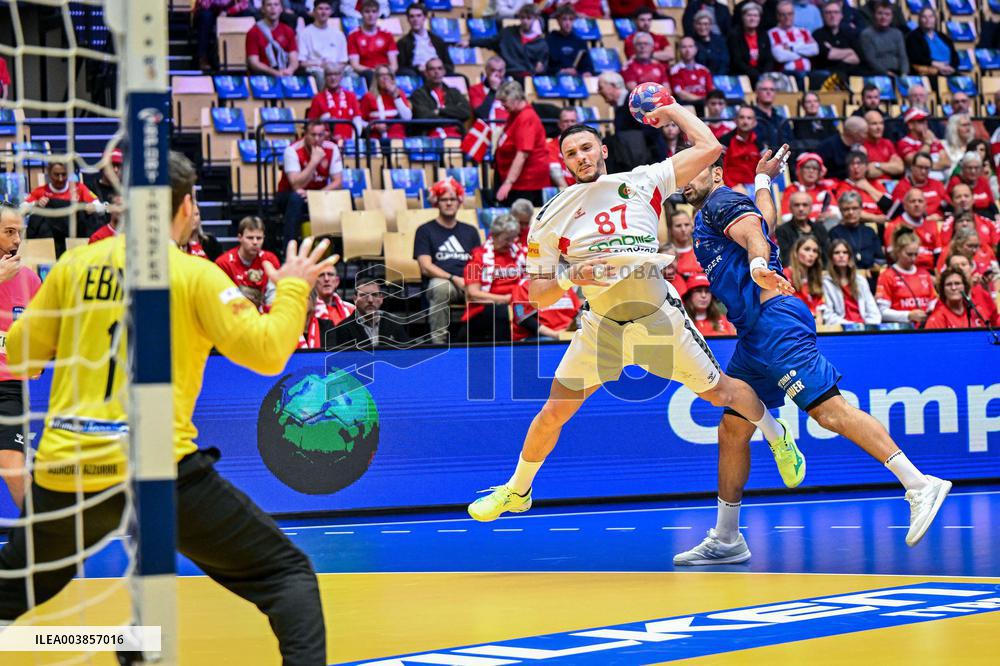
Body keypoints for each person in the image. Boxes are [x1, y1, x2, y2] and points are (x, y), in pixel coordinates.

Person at [0, 152, 331, 664]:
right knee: (287, 575)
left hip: (70, 472)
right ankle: (134, 647)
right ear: (182, 207)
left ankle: (133, 647)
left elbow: (20, 355)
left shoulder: (73, 266)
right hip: (157, 468)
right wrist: (293, 287)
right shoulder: (193, 275)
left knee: (11, 598)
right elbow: (267, 353)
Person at [467, 100, 802, 526]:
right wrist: (573, 277)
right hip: (601, 326)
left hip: (658, 319)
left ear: (603, 150)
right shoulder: (549, 216)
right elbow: (536, 296)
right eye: (571, 153)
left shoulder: (643, 181)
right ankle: (518, 490)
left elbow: (710, 146)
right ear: (563, 161)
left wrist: (672, 107)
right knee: (553, 412)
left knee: (721, 392)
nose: (581, 158)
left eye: (587, 148)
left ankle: (778, 437)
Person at [674, 144, 950, 566]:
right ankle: (727, 537)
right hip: (753, 333)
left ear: (715, 173)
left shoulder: (721, 202)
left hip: (774, 324)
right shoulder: (726, 204)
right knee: (732, 429)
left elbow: (752, 231)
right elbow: (764, 220)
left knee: (829, 412)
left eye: (691, 169)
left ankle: (919, 484)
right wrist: (764, 181)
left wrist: (756, 265)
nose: (682, 177)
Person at [0, 207, 41, 509]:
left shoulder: (29, 279)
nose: (16, 240)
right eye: (9, 232)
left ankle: (43, 539)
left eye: (19, 232)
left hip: (9, 386)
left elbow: (41, 329)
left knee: (13, 468)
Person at [414, 178, 482, 345]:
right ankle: (439, 342)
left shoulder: (471, 231)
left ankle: (479, 340)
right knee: (440, 286)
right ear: (436, 203)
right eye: (444, 199)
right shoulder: (425, 230)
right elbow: (425, 267)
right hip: (446, 283)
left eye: (453, 199)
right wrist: (453, 278)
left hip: (468, 282)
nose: (449, 203)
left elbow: (478, 262)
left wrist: (471, 282)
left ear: (459, 202)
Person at [275, 120, 344, 244]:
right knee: (296, 199)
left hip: (317, 195)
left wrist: (315, 196)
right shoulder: (292, 150)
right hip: (289, 195)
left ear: (326, 135)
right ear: (305, 134)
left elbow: (338, 182)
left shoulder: (332, 148)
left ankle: (346, 251)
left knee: (346, 197)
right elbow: (296, 185)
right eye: (313, 135)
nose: (317, 139)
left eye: (320, 135)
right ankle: (289, 250)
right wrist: (314, 162)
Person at [462, 214, 525, 342]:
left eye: (513, 239)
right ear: (494, 235)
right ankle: (504, 354)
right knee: (502, 312)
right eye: (507, 239)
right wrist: (506, 299)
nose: (510, 243)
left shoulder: (521, 254)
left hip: (518, 305)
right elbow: (473, 294)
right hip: (486, 308)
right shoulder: (478, 256)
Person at [23, 162, 105, 257]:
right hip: (49, 242)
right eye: (56, 175)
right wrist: (36, 204)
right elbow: (21, 209)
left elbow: (101, 207)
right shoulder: (40, 191)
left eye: (64, 174)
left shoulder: (79, 188)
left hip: (74, 239)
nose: (60, 178)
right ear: (49, 173)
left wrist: (90, 207)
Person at [494, 80, 551, 206]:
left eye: (504, 101)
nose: (502, 105)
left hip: (526, 183)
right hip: (518, 181)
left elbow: (522, 154)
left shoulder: (526, 117)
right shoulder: (514, 114)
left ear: (515, 98)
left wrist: (508, 182)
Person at [215, 216, 282, 312]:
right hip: (234, 314)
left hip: (264, 316)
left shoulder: (270, 260)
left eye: (259, 238)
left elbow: (275, 297)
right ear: (240, 237)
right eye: (250, 238)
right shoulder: (223, 263)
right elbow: (220, 298)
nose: (255, 242)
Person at [468, 4, 548, 82]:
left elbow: (542, 66)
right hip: (506, 74)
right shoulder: (508, 32)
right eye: (522, 17)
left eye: (529, 18)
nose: (525, 21)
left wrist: (540, 68)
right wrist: (470, 42)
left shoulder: (541, 43)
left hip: (527, 77)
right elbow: (490, 42)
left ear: (536, 19)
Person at [875, 228, 936, 325]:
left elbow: (933, 301)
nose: (913, 258)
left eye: (916, 254)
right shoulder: (886, 276)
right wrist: (908, 315)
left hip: (925, 327)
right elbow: (882, 312)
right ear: (898, 251)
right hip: (901, 329)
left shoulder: (924, 274)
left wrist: (931, 309)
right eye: (909, 254)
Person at [330, 279, 410, 349]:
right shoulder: (343, 329)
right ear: (355, 299)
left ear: (381, 298)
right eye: (364, 295)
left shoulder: (394, 325)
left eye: (375, 295)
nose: (370, 300)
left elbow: (407, 355)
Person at [823, 238, 881, 325]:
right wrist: (851, 326)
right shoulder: (826, 283)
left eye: (845, 252)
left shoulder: (860, 280)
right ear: (831, 258)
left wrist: (867, 327)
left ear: (849, 257)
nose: (841, 255)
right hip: (840, 329)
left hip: (864, 328)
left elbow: (873, 310)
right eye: (837, 253)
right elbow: (828, 316)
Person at [410, 58, 472, 140]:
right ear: (426, 73)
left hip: (457, 136)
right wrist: (453, 119)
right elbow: (424, 117)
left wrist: (439, 111)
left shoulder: (454, 92)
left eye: (440, 68)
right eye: (432, 69)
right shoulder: (418, 94)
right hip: (430, 138)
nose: (436, 72)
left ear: (444, 71)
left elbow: (465, 112)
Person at [883, 188, 940, 271]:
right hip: (905, 271)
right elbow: (892, 256)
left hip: (930, 272)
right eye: (912, 201)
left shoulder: (932, 225)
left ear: (925, 205)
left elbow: (938, 254)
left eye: (920, 201)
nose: (917, 204)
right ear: (905, 206)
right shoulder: (894, 226)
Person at [306, 64, 363, 145]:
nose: (333, 78)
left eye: (336, 74)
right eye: (329, 74)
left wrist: (353, 139)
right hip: (326, 143)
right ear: (325, 77)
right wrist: (325, 135)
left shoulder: (351, 96)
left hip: (349, 143)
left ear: (341, 76)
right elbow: (311, 125)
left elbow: (357, 120)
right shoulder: (318, 98)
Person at [828, 190, 886, 270]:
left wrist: (874, 269)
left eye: (855, 208)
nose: (851, 212)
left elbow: (880, 259)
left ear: (861, 209)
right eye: (846, 209)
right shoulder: (834, 233)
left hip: (870, 274)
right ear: (841, 211)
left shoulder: (869, 231)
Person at [830, 150, 891, 224]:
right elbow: (850, 212)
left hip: (882, 223)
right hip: (861, 224)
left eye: (859, 163)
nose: (856, 167)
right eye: (852, 164)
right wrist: (876, 218)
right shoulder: (844, 187)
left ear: (866, 167)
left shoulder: (875, 183)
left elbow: (889, 205)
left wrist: (867, 187)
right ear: (848, 168)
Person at [297, 0, 348, 88]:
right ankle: (325, 100)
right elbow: (302, 62)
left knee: (352, 75)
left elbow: (343, 61)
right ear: (314, 11)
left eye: (327, 9)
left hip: (336, 68)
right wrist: (319, 63)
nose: (323, 12)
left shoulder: (338, 34)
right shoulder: (305, 33)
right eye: (320, 9)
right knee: (322, 75)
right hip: (316, 68)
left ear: (331, 12)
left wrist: (334, 68)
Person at [396, 2, 454, 77]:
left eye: (419, 16)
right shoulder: (403, 43)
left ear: (424, 18)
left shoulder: (438, 40)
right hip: (417, 74)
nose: (415, 19)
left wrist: (438, 69)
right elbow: (401, 68)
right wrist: (417, 68)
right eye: (412, 16)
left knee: (462, 77)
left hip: (438, 73)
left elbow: (449, 65)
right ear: (408, 19)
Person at [347, 0, 399, 81]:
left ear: (378, 13)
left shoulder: (387, 35)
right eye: (367, 12)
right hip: (365, 74)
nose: (371, 15)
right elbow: (355, 65)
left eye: (374, 12)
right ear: (361, 13)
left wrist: (384, 73)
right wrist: (374, 72)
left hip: (385, 73)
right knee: (369, 75)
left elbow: (394, 65)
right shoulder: (353, 36)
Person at [246, 0, 299, 78]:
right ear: (263, 9)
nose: (273, 8)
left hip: (285, 74)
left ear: (281, 9)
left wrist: (289, 70)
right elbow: (254, 63)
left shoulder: (288, 31)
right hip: (263, 77)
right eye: (269, 5)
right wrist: (275, 73)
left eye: (276, 4)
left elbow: (294, 59)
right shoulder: (253, 32)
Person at [779, 152, 837, 224]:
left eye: (815, 168)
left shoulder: (824, 189)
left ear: (820, 172)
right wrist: (813, 221)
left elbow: (837, 213)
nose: (811, 171)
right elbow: (786, 217)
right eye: (807, 167)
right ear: (800, 170)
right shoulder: (792, 190)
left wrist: (829, 216)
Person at [811, 0, 862, 79]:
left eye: (836, 12)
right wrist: (850, 51)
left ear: (841, 15)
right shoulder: (817, 34)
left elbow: (857, 58)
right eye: (828, 13)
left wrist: (833, 51)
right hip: (824, 75)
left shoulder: (850, 34)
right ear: (823, 15)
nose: (832, 16)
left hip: (847, 74)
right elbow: (828, 55)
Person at [359, 65, 412, 140]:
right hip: (376, 140)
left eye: (388, 75)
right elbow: (359, 121)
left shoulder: (399, 94)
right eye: (381, 75)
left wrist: (396, 96)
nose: (385, 78)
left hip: (397, 139)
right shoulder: (368, 97)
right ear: (376, 79)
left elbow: (407, 118)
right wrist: (374, 126)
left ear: (392, 78)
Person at [777, 191, 830, 265]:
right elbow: (786, 259)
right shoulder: (782, 231)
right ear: (790, 208)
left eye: (805, 205)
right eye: (796, 205)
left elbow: (827, 257)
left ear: (811, 208)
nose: (801, 209)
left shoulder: (820, 229)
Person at [891, 152, 949, 219]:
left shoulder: (937, 184)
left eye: (927, 168)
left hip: (937, 223)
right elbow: (899, 211)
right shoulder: (902, 186)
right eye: (920, 167)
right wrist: (925, 218)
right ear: (912, 167)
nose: (923, 171)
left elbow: (948, 206)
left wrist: (941, 216)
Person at [768, 1, 819, 79]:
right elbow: (780, 56)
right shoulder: (773, 33)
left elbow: (815, 50)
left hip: (808, 72)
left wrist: (792, 48)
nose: (787, 17)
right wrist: (804, 52)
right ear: (778, 16)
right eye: (783, 15)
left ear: (794, 14)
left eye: (790, 14)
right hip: (786, 74)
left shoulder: (804, 32)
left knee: (824, 75)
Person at [947, 253, 1000, 326]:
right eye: (956, 266)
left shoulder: (981, 292)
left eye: (964, 264)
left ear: (971, 268)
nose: (960, 268)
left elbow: (995, 320)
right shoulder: (947, 295)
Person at [719, 106, 765, 190]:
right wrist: (731, 186)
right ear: (735, 120)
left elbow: (764, 170)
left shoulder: (760, 144)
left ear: (755, 122)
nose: (745, 121)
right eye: (741, 117)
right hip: (729, 189)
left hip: (754, 188)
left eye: (749, 118)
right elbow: (719, 169)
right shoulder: (724, 141)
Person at [729, 2, 775, 86]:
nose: (752, 19)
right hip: (742, 74)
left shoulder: (763, 34)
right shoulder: (735, 35)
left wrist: (764, 74)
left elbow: (769, 59)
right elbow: (737, 61)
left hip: (761, 74)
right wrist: (755, 74)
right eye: (749, 15)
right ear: (743, 17)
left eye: (755, 16)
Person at [896, 108, 950, 177]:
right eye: (920, 121)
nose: (925, 124)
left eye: (925, 121)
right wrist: (927, 143)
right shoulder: (904, 143)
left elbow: (947, 162)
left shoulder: (933, 139)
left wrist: (927, 166)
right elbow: (916, 162)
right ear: (910, 125)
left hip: (940, 182)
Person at [858, 0, 907, 77]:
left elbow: (903, 57)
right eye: (880, 13)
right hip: (877, 74)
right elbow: (871, 60)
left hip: (898, 73)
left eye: (887, 14)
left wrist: (904, 73)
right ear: (874, 15)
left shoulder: (898, 34)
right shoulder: (867, 34)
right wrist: (886, 73)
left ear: (892, 17)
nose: (883, 17)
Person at [905, 7, 958, 77]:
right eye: (924, 17)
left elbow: (955, 57)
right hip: (929, 73)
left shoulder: (943, 37)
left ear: (935, 19)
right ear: (919, 20)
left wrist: (951, 68)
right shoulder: (913, 37)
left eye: (931, 16)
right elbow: (916, 57)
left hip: (949, 71)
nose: (928, 20)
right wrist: (935, 64)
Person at [782, 234, 826, 316]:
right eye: (807, 249)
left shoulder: (816, 277)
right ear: (796, 252)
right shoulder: (785, 275)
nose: (811, 254)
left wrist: (819, 314)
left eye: (815, 251)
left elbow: (820, 304)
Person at [948, 152, 999, 219]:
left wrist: (997, 214)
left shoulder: (982, 180)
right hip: (965, 217)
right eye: (969, 168)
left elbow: (991, 202)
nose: (973, 171)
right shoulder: (955, 181)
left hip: (986, 216)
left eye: (976, 168)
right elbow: (950, 204)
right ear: (963, 168)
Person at [547, 6, 594, 77]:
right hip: (556, 80)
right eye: (564, 19)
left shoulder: (580, 42)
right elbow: (545, 68)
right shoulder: (549, 40)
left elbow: (588, 66)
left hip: (577, 80)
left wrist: (586, 73)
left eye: (571, 19)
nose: (567, 23)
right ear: (558, 20)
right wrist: (562, 71)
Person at [817, 115, 867, 180]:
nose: (866, 136)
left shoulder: (859, 148)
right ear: (855, 133)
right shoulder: (827, 147)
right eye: (864, 133)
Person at [862, 110, 904, 181]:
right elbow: (869, 172)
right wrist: (889, 165)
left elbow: (900, 168)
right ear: (865, 126)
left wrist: (876, 165)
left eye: (881, 123)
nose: (879, 127)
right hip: (872, 187)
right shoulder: (861, 146)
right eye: (874, 124)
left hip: (890, 186)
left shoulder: (888, 143)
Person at [670, 37, 714, 106]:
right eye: (684, 47)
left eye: (690, 46)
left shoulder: (704, 70)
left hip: (706, 106)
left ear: (696, 49)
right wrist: (701, 101)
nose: (687, 50)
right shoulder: (675, 71)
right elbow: (680, 93)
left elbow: (711, 91)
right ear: (679, 50)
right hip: (687, 106)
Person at [470, 56, 509, 123]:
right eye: (493, 70)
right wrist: (493, 90)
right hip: (487, 130)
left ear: (504, 71)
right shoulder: (475, 89)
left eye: (500, 71)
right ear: (486, 70)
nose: (496, 74)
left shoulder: (511, 89)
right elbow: (481, 115)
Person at [548, 108, 579, 189]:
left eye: (572, 121)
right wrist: (567, 193)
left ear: (577, 123)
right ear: (559, 124)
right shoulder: (551, 145)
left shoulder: (585, 145)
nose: (569, 124)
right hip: (563, 190)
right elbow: (555, 173)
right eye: (566, 121)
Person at [692, 9, 730, 75]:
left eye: (706, 24)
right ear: (694, 25)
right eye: (699, 24)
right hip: (699, 78)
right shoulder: (691, 42)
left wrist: (717, 77)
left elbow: (725, 62)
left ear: (710, 25)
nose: (702, 27)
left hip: (719, 77)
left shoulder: (720, 40)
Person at [669, 210, 703, 279]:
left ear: (692, 227)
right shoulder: (666, 255)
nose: (683, 229)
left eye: (687, 224)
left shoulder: (702, 251)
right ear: (670, 229)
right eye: (678, 226)